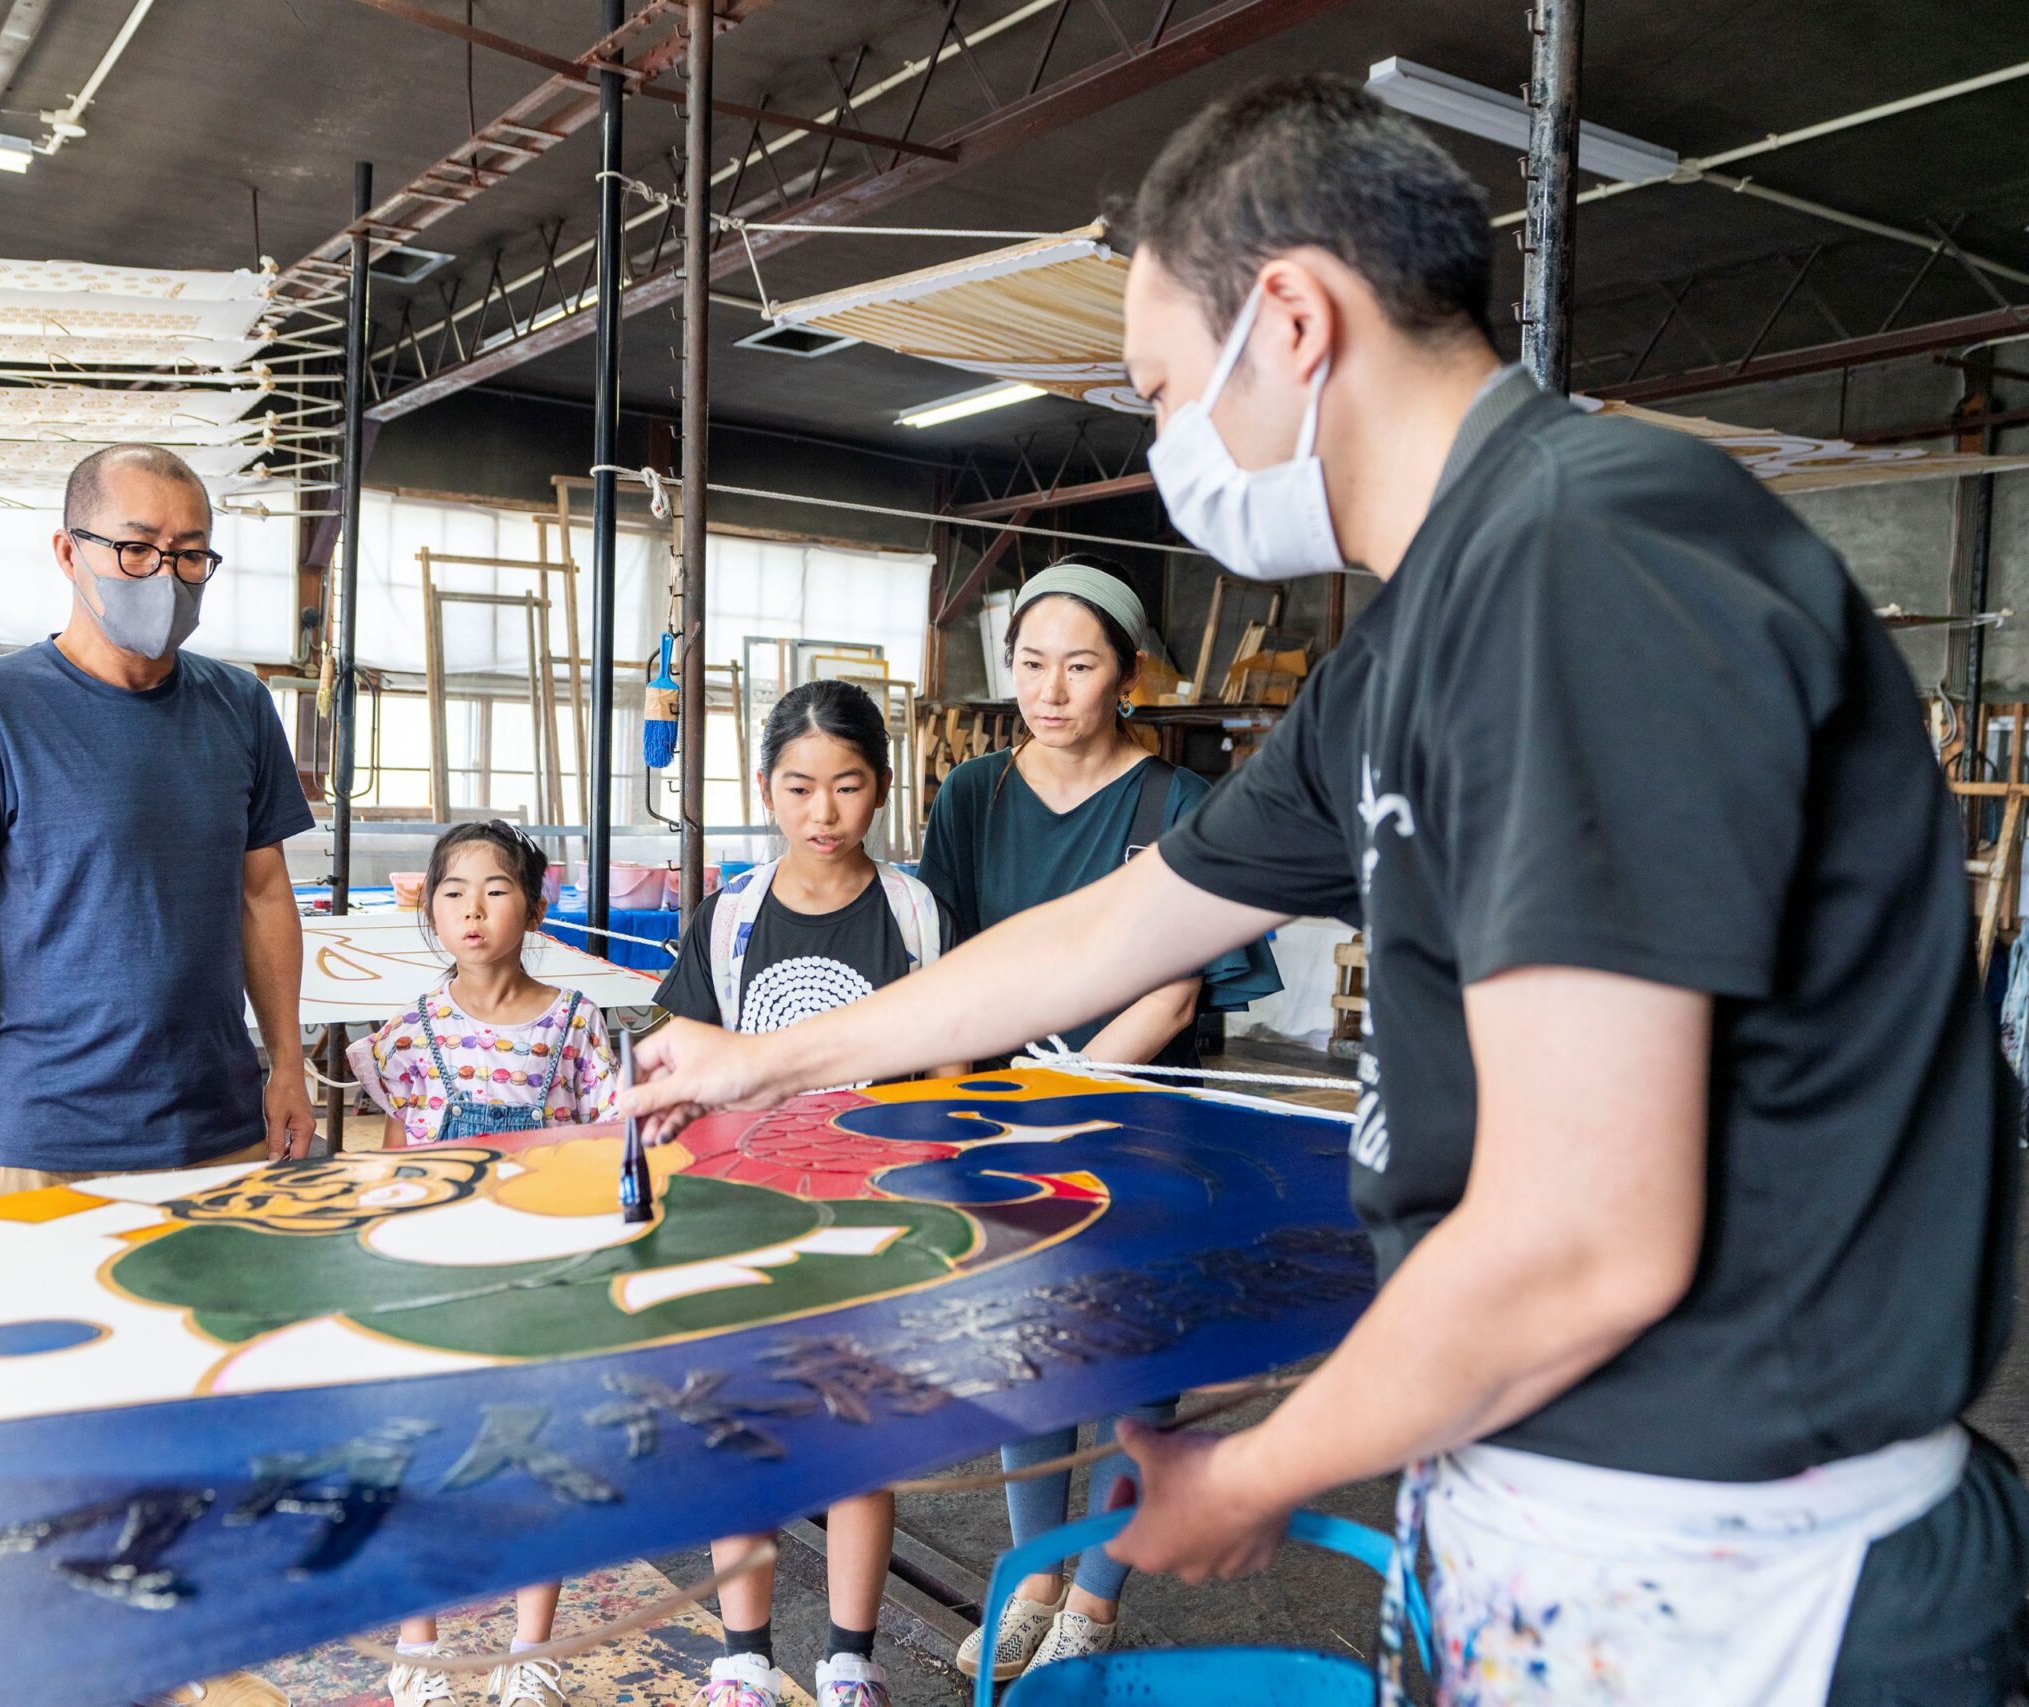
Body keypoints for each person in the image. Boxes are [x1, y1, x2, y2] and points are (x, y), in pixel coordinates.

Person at [631, 76, 2028, 1704]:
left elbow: (1587, 1239)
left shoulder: (1577, 574)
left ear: (1289, 318)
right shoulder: (1414, 645)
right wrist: (767, 1057)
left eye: (1161, 388)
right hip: (1559, 1523)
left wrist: (1268, 1466)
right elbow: (1118, 922)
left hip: (1750, 1578)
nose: (1166, 448)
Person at [0, 442, 314, 1707]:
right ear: (68, 550)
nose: (162, 575)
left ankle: (196, 1648)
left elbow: (263, 891)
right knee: (55, 1415)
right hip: (51, 1125)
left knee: (207, 1393)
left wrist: (287, 1061)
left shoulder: (237, 706)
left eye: (189, 554)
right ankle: (63, 1660)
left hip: (215, 1118)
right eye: (136, 547)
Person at [918, 558, 1279, 1679]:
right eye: (1030, 664)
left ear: (1126, 674)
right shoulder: (970, 796)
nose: (1050, 688)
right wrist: (978, 1107)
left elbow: (1173, 987)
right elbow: (954, 966)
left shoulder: (1178, 802)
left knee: (1135, 1354)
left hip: (1142, 1115)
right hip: (1003, 1115)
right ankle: (1033, 1576)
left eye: (1078, 666)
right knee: (1031, 1345)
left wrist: (1057, 1091)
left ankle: (1097, 1596)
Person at [656, 679, 965, 1707]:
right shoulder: (730, 919)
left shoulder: (916, 916)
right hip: (745, 1216)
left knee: (857, 1436)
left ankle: (848, 1658)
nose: (822, 813)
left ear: (881, 790)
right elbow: (682, 1059)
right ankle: (742, 1655)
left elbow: (951, 1076)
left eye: (846, 786)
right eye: (799, 787)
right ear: (765, 790)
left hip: (875, 1219)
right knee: (740, 1426)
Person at [349, 821, 619, 1707]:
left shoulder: (577, 1024)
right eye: (453, 890)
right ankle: (419, 1643)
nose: (473, 908)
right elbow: (390, 1162)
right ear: (429, 907)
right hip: (437, 1267)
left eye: (496, 888)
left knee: (540, 1444)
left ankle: (530, 1647)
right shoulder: (411, 1032)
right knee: (421, 1445)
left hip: (542, 1266)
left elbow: (603, 1144)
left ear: (535, 905)